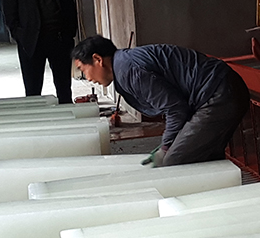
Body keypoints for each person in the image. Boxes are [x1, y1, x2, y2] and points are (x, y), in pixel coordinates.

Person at [72, 36, 250, 167]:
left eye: (83, 70)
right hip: (222, 88)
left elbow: (176, 109)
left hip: (218, 94)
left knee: (174, 161)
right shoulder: (125, 64)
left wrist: (165, 146)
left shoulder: (129, 71)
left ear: (97, 59)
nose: (87, 78)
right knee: (202, 157)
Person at [2, 0, 78, 105]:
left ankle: (66, 115)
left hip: (59, 39)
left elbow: (68, 4)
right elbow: (10, 14)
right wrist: (21, 36)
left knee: (64, 89)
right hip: (31, 42)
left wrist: (70, 33)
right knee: (33, 91)